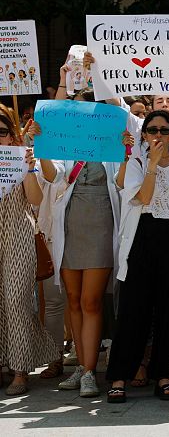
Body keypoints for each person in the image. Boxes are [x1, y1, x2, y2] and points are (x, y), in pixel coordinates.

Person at [105, 110, 169, 403]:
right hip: (141, 242)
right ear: (144, 135)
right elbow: (143, 198)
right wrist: (150, 164)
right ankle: (120, 376)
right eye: (151, 130)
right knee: (132, 312)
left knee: (168, 312)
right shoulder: (135, 164)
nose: (157, 135)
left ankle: (164, 376)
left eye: (164, 130)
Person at [30, 118, 131, 398]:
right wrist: (42, 146)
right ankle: (82, 366)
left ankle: (89, 371)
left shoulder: (110, 144)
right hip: (70, 225)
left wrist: (124, 154)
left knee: (91, 300)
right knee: (73, 299)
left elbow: (121, 183)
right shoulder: (67, 146)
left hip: (100, 222)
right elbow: (52, 175)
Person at [0, 105, 57, 396]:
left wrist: (28, 167)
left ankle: (21, 369)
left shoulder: (21, 158)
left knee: (16, 299)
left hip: (18, 234)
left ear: (11, 135)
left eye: (1, 132)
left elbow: (34, 199)